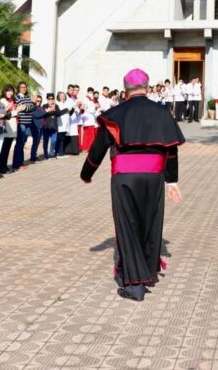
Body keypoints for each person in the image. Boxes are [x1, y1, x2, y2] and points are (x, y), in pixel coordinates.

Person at [80, 68, 184, 301]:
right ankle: (148, 274)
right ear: (146, 87)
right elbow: (171, 149)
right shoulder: (162, 112)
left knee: (128, 226)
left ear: (125, 89)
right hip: (154, 176)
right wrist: (172, 181)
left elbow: (98, 148)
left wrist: (86, 173)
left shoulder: (114, 114)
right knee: (150, 223)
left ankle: (135, 285)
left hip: (124, 176)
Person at [12, 81, 35, 171]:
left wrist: (26, 107)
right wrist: (28, 106)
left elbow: (32, 107)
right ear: (18, 88)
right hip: (21, 122)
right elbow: (21, 108)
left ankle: (19, 162)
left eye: (25, 87)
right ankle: (17, 164)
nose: (24, 89)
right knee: (20, 143)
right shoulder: (17, 97)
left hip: (28, 123)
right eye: (22, 87)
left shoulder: (27, 97)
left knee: (23, 143)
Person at [0, 85, 18, 173]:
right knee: (4, 148)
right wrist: (17, 111)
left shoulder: (12, 101)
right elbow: (4, 113)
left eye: (12, 91)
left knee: (7, 148)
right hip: (7, 126)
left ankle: (5, 166)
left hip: (12, 127)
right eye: (8, 91)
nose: (10, 93)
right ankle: (2, 167)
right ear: (4, 92)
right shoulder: (3, 101)